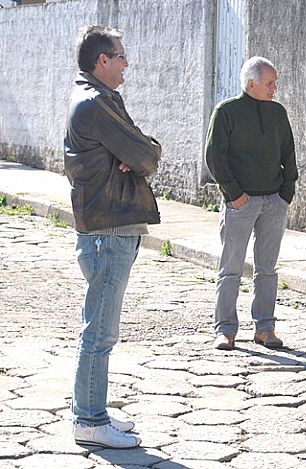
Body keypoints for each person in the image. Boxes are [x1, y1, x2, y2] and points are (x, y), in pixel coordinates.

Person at [64, 25, 162, 448]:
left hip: (112, 225)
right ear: (101, 60)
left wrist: (139, 153)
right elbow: (145, 153)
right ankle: (89, 419)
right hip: (108, 228)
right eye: (120, 55)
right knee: (100, 330)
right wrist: (139, 155)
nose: (126, 62)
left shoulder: (104, 100)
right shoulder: (93, 104)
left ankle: (92, 408)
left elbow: (141, 150)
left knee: (103, 327)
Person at [205, 56, 298, 351]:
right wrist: (234, 194)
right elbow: (214, 156)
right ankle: (226, 330)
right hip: (240, 203)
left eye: (275, 83)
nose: (274, 88)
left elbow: (289, 153)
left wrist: (286, 192)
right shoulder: (226, 112)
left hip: (273, 201)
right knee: (231, 268)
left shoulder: (278, 113)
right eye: (270, 83)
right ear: (251, 84)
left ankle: (265, 328)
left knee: (267, 269)